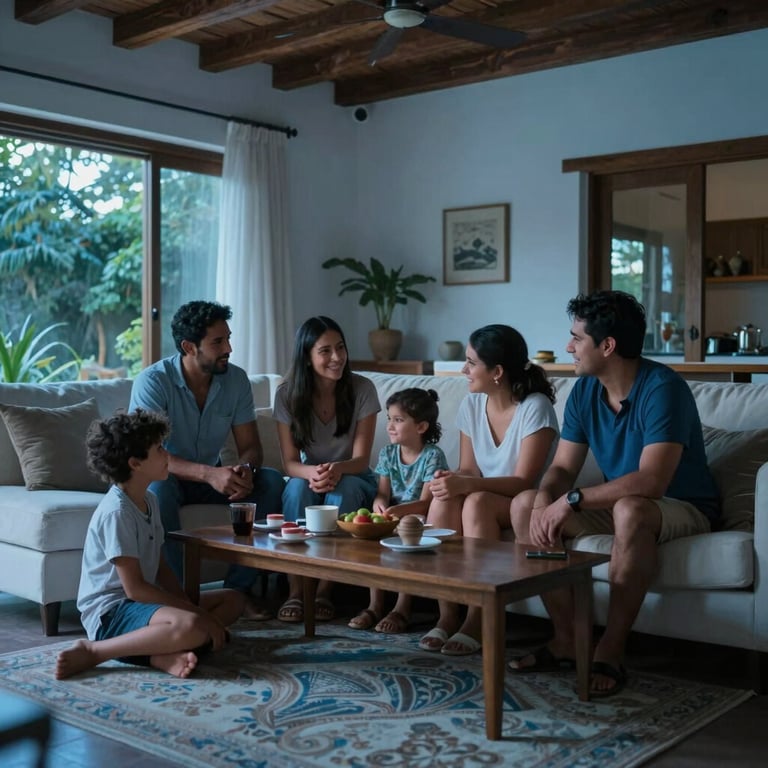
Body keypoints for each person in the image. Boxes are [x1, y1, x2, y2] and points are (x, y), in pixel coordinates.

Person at [509, 290, 720, 697]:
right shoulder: (584, 391)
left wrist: (570, 501)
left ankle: (611, 648)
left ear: (607, 346)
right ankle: (567, 639)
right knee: (523, 505)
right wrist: (545, 499)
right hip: (621, 504)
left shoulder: (663, 389)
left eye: (577, 338)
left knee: (631, 510)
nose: (568, 347)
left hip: (682, 506)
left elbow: (652, 482)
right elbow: (563, 468)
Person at [55, 410, 244, 680]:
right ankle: (96, 651)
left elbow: (162, 566)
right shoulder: (117, 512)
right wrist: (197, 614)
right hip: (111, 613)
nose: (167, 454)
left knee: (232, 600)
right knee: (192, 624)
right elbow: (135, 589)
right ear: (135, 464)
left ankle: (159, 655)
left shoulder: (150, 500)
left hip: (139, 605)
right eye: (159, 449)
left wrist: (185, 603)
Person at [128, 300, 284, 619]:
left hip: (208, 479)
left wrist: (246, 470)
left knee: (270, 481)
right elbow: (146, 452)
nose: (228, 348)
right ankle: (180, 599)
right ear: (189, 347)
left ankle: (237, 592)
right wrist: (210, 474)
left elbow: (251, 446)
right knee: (158, 491)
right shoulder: (153, 382)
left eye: (228, 338)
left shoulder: (236, 380)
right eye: (218, 342)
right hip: (166, 476)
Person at [420, 324, 559, 655]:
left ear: (497, 372)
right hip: (483, 492)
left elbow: (524, 481)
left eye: (471, 362)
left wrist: (468, 484)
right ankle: (448, 614)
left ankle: (478, 617)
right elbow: (469, 469)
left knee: (477, 502)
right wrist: (450, 478)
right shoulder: (472, 405)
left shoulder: (535, 407)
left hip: (522, 501)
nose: (463, 370)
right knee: (443, 498)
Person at [273, 316, 380, 623]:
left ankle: (324, 590)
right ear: (307, 357)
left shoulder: (362, 389)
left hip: (354, 476)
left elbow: (361, 459)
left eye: (340, 347)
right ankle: (296, 589)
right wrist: (313, 473)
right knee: (295, 488)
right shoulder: (287, 395)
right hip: (310, 476)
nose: (337, 357)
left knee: (344, 489)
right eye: (325, 351)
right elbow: (289, 463)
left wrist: (336, 470)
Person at [348, 388, 449, 634]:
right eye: (389, 419)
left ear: (421, 427)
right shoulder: (388, 453)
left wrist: (398, 511)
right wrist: (379, 504)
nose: (390, 426)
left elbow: (425, 503)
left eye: (398, 420)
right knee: (370, 531)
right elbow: (382, 492)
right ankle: (374, 606)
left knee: (408, 528)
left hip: (418, 517)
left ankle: (402, 608)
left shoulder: (432, 456)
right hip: (391, 514)